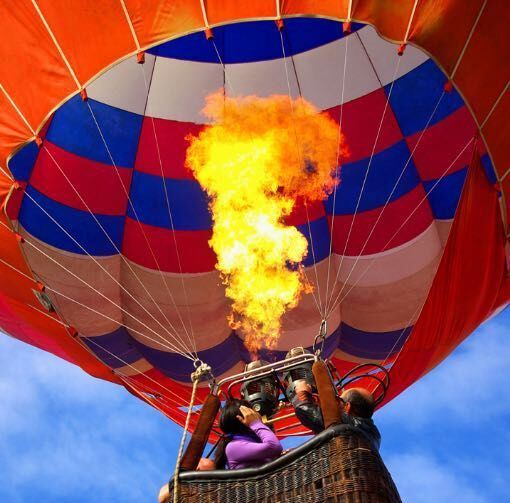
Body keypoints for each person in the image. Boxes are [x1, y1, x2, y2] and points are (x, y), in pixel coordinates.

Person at [291, 381, 381, 451]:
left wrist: (302, 393)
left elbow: (303, 409)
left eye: (339, 399)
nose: (336, 403)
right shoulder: (372, 433)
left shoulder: (348, 424)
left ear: (347, 406)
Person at [217, 399, 283, 469]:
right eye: (253, 412)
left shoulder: (254, 439)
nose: (257, 414)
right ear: (245, 418)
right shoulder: (233, 446)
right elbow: (274, 447)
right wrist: (255, 423)